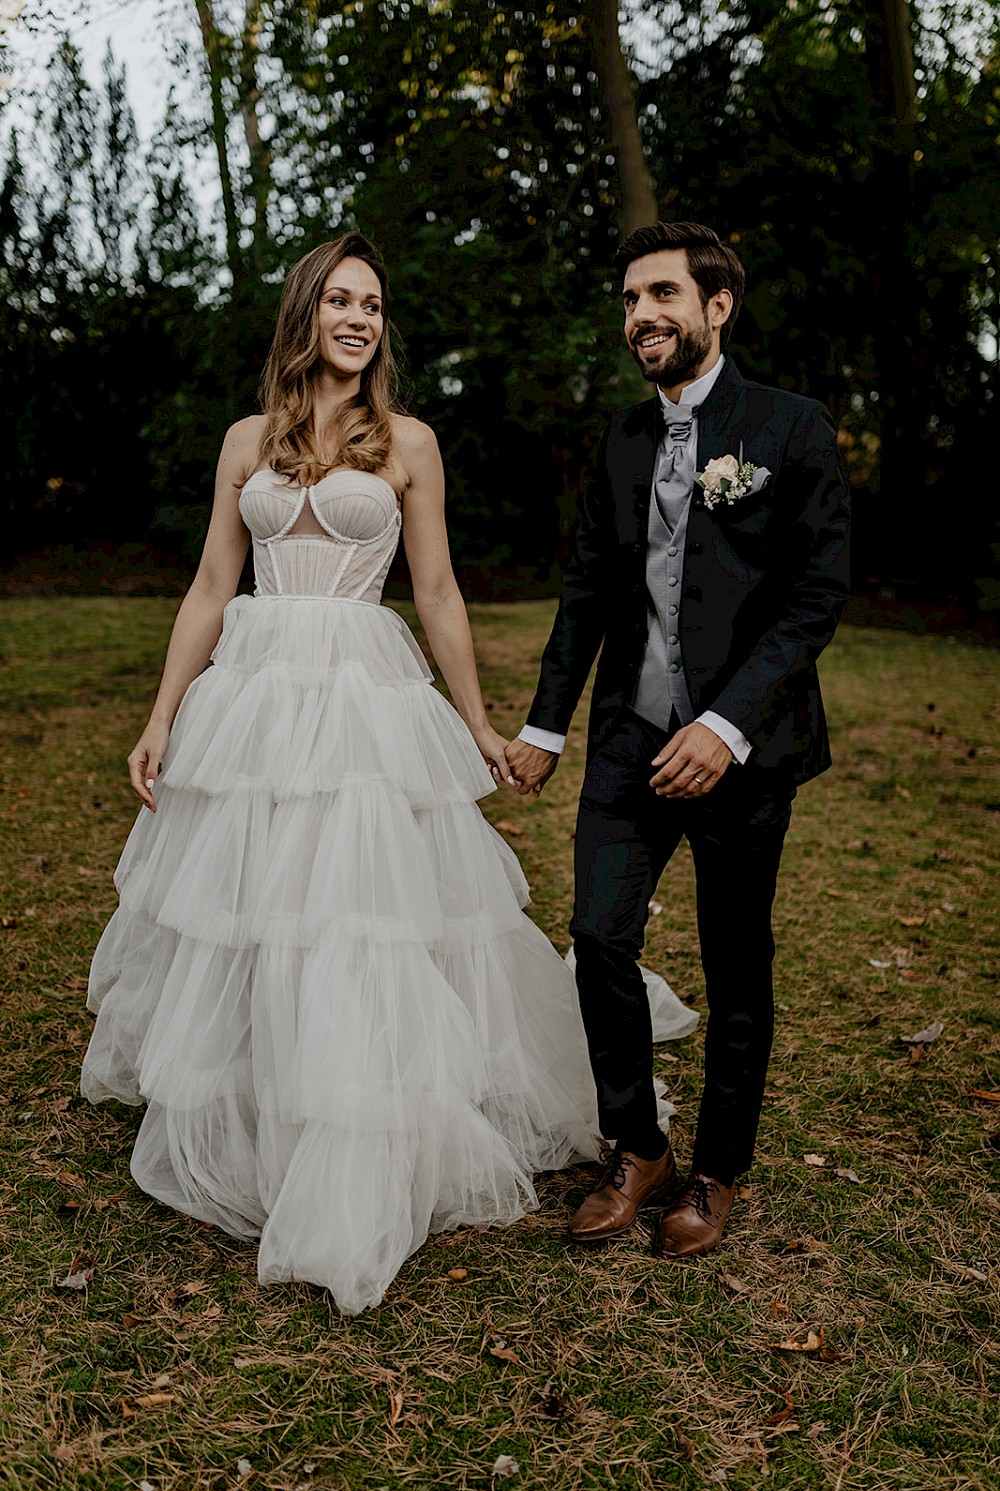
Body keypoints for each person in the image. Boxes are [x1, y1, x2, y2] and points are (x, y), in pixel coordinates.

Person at [80, 232, 698, 1314]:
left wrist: (477, 727)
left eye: (372, 305)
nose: (360, 320)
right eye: (340, 303)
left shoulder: (408, 439)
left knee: (357, 911)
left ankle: (355, 1103)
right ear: (306, 316)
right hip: (258, 692)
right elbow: (211, 586)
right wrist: (161, 713)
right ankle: (270, 1095)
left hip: (363, 689)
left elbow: (441, 591)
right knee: (261, 902)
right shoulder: (246, 440)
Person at [506, 221, 850, 1257]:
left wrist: (724, 724)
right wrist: (545, 725)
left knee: (736, 959)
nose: (639, 316)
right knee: (599, 939)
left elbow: (814, 598)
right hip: (625, 736)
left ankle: (716, 1173)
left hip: (745, 751)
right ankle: (636, 1144)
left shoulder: (790, 428)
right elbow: (585, 595)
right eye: (627, 300)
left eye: (659, 294)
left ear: (716, 306)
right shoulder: (618, 438)